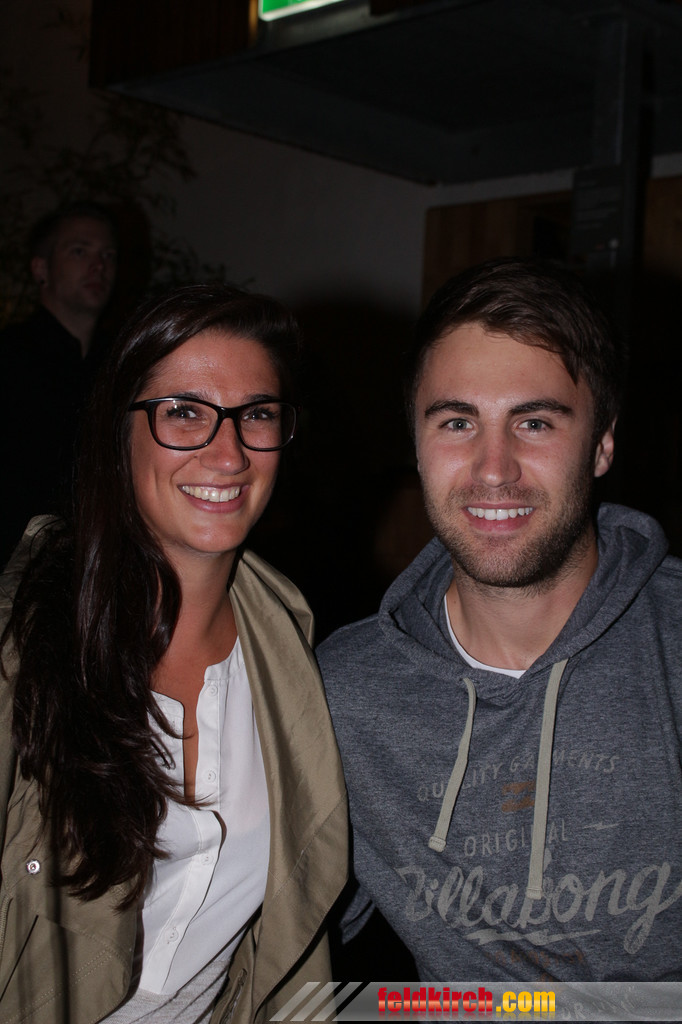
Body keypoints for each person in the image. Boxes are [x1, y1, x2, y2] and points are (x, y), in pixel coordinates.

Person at [318, 258, 682, 983]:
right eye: (457, 422)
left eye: (534, 423)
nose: (493, 468)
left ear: (603, 443)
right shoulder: (343, 693)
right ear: (415, 442)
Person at [0, 285, 347, 1022]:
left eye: (257, 414)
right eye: (185, 412)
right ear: (118, 431)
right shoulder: (18, 649)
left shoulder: (292, 651)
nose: (229, 452)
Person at [0, 202, 118, 567]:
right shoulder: (8, 357)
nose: (98, 265)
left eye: (108, 255)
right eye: (79, 251)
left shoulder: (123, 367)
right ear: (41, 269)